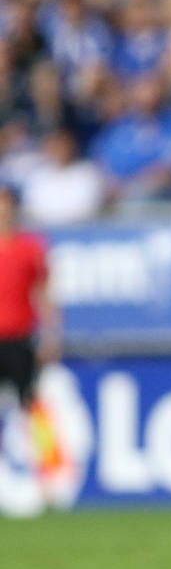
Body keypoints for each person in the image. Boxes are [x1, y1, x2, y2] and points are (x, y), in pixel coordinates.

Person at [0, 181, 61, 482]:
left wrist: (51, 335)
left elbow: (44, 294)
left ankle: (49, 475)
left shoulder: (30, 248)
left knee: (33, 407)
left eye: (6, 201)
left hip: (20, 338)